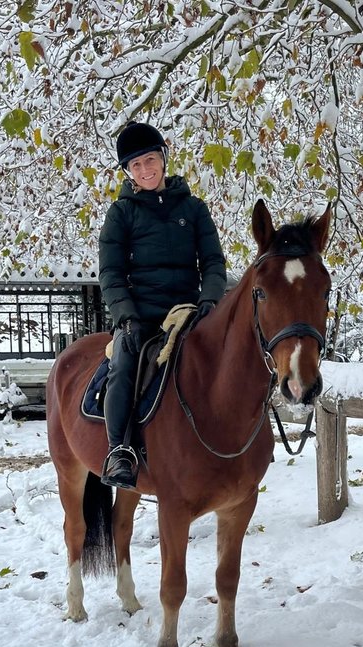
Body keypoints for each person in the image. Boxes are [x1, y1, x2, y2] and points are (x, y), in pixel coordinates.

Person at [97, 121, 227, 489]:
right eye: (135, 165)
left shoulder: (194, 208)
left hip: (190, 312)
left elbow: (214, 262)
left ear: (163, 159)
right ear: (128, 171)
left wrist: (210, 299)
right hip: (140, 317)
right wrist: (125, 317)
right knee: (122, 365)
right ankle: (119, 449)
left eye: (149, 160)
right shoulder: (120, 214)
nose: (144, 170)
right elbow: (111, 272)